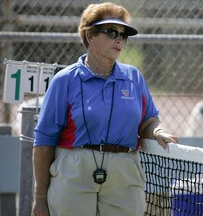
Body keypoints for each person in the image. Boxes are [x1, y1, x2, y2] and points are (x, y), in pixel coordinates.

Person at [32, 2, 178, 216]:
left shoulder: (133, 77)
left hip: (124, 173)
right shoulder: (64, 80)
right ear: (89, 36)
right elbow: (44, 141)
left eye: (123, 34)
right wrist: (40, 199)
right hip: (74, 171)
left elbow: (148, 120)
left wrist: (157, 131)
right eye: (111, 32)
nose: (119, 39)